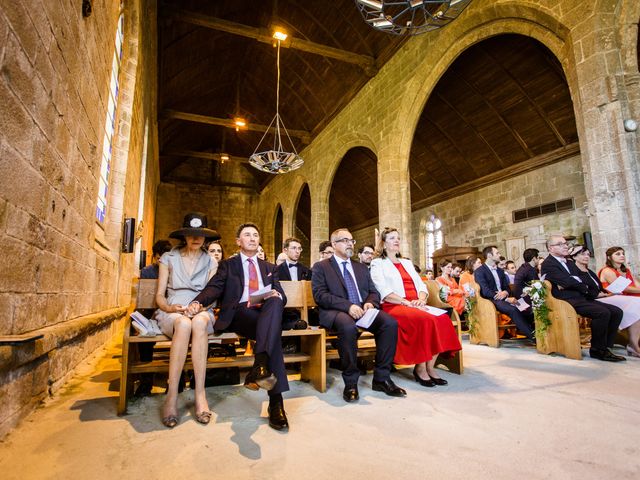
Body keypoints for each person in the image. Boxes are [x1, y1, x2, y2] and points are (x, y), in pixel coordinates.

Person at [191, 223, 290, 430]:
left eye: (256, 234)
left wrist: (275, 294)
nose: (253, 238)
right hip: (240, 314)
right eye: (247, 235)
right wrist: (198, 302)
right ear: (238, 241)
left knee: (274, 303)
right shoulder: (228, 265)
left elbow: (282, 295)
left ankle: (261, 367)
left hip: (264, 314)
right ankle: (275, 401)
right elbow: (214, 288)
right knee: (272, 334)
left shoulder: (270, 268)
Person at [312, 228, 406, 402]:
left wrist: (371, 303)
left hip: (363, 311)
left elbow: (373, 291)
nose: (350, 243)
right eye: (345, 240)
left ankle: (382, 378)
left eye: (351, 240)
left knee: (389, 323)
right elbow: (320, 295)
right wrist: (348, 306)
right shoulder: (321, 267)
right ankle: (351, 382)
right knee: (347, 327)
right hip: (336, 311)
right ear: (334, 244)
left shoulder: (360, 267)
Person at [371, 228, 461, 388]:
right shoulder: (378, 263)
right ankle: (420, 369)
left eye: (398, 238)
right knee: (425, 320)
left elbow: (420, 284)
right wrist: (406, 302)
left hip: (416, 303)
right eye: (392, 238)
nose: (397, 241)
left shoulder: (406, 262)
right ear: (384, 243)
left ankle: (430, 367)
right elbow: (382, 289)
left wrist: (421, 298)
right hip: (394, 305)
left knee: (442, 319)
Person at [153, 213, 220, 428]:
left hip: (201, 308)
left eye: (200, 235)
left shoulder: (211, 261)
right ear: (184, 236)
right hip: (173, 310)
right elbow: (159, 296)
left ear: (205, 238)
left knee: (198, 322)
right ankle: (172, 396)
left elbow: (211, 294)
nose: (196, 238)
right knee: (183, 323)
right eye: (191, 234)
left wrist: (197, 306)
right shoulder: (169, 258)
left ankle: (200, 394)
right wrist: (170, 308)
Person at [541, 235, 624, 362]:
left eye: (565, 243)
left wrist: (576, 283)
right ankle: (598, 350)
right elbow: (568, 282)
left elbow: (579, 279)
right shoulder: (548, 264)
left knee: (617, 311)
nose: (565, 246)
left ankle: (606, 346)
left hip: (580, 297)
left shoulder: (569, 262)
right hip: (566, 300)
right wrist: (577, 284)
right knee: (602, 313)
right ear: (550, 248)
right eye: (560, 244)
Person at [570, 245, 640, 357]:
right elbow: (584, 288)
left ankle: (608, 345)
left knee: (619, 310)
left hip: (606, 296)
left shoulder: (589, 271)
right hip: (601, 298)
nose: (587, 256)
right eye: (583, 254)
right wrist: (600, 294)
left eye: (588, 254)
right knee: (627, 306)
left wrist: (601, 293)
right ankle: (604, 347)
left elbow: (598, 287)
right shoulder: (605, 270)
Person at [474, 245, 535, 341]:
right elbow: (485, 291)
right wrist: (505, 298)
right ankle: (534, 337)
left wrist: (506, 292)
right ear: (489, 255)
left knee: (526, 307)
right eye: (497, 253)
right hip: (491, 300)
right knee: (513, 310)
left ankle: (531, 332)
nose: (499, 255)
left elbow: (507, 288)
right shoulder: (480, 271)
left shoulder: (500, 271)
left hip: (504, 297)